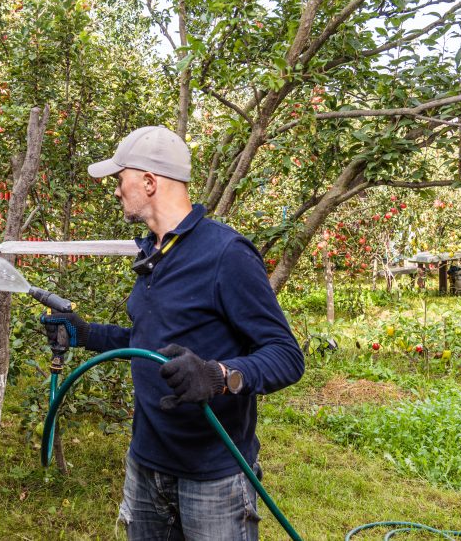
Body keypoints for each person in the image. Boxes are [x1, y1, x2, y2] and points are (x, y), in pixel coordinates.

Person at [43, 125, 304, 540]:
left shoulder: (226, 254)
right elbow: (147, 342)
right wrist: (87, 334)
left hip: (213, 474)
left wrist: (218, 375)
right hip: (146, 462)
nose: (115, 191)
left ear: (148, 182)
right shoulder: (154, 251)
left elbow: (286, 356)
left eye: (119, 179)